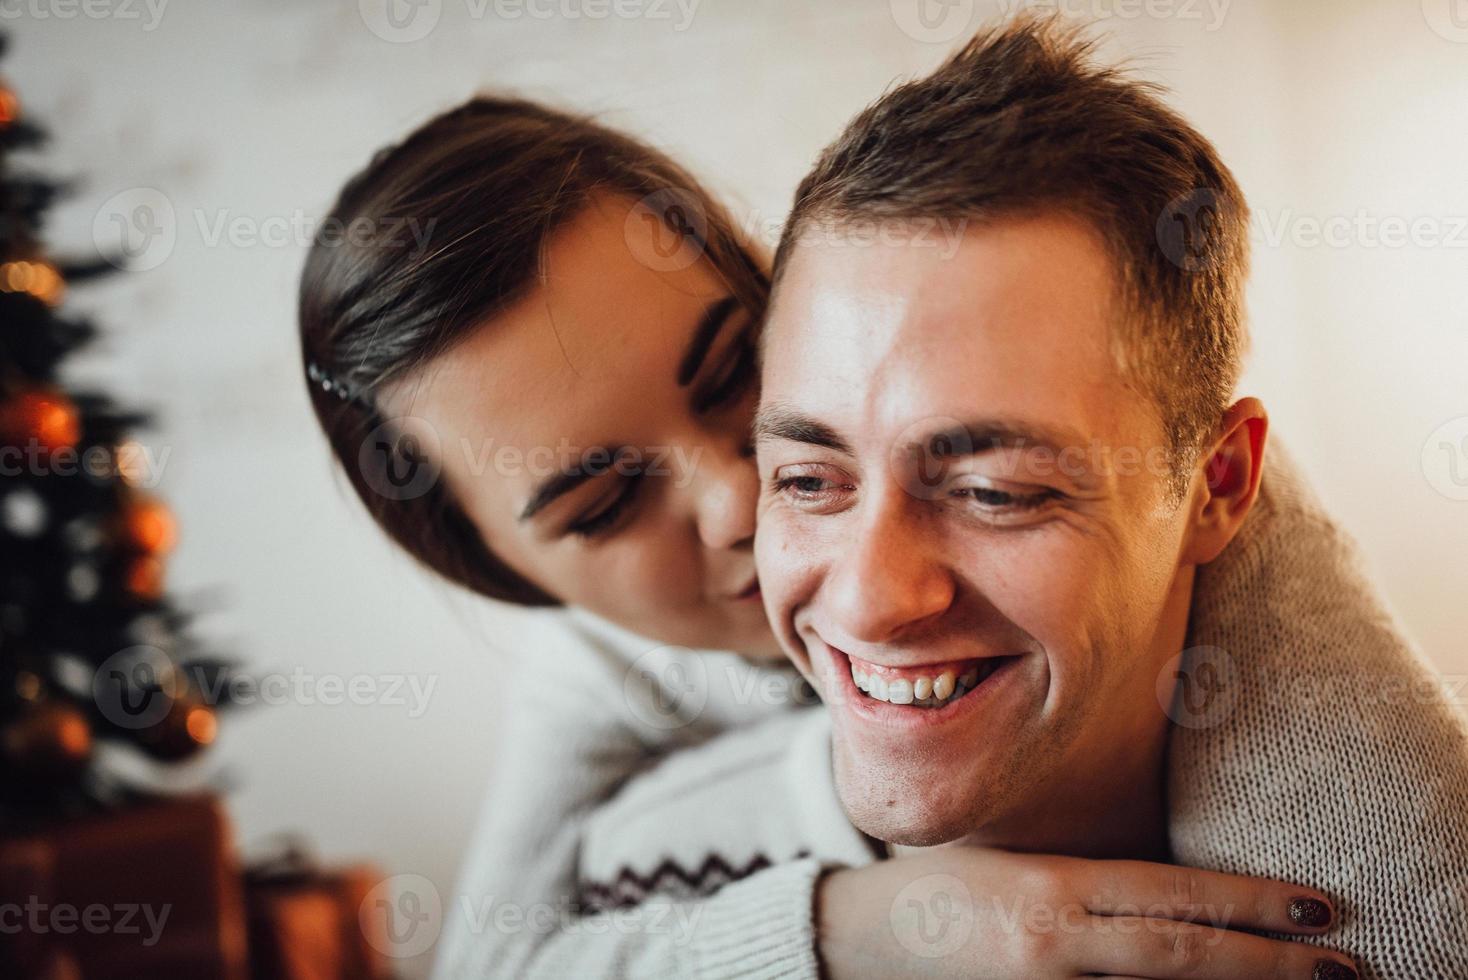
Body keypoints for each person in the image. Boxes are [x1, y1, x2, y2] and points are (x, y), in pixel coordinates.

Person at [297, 92, 1362, 977]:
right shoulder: (593, 665)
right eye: (606, 504)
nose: (740, 498)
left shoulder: (1200, 504)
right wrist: (855, 925)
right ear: (505, 574)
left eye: (734, 376)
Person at [573, 15, 1468, 980]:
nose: (869, 598)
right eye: (808, 479)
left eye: (993, 493)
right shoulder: (635, 879)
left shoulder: (1399, 891)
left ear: (1219, 485)